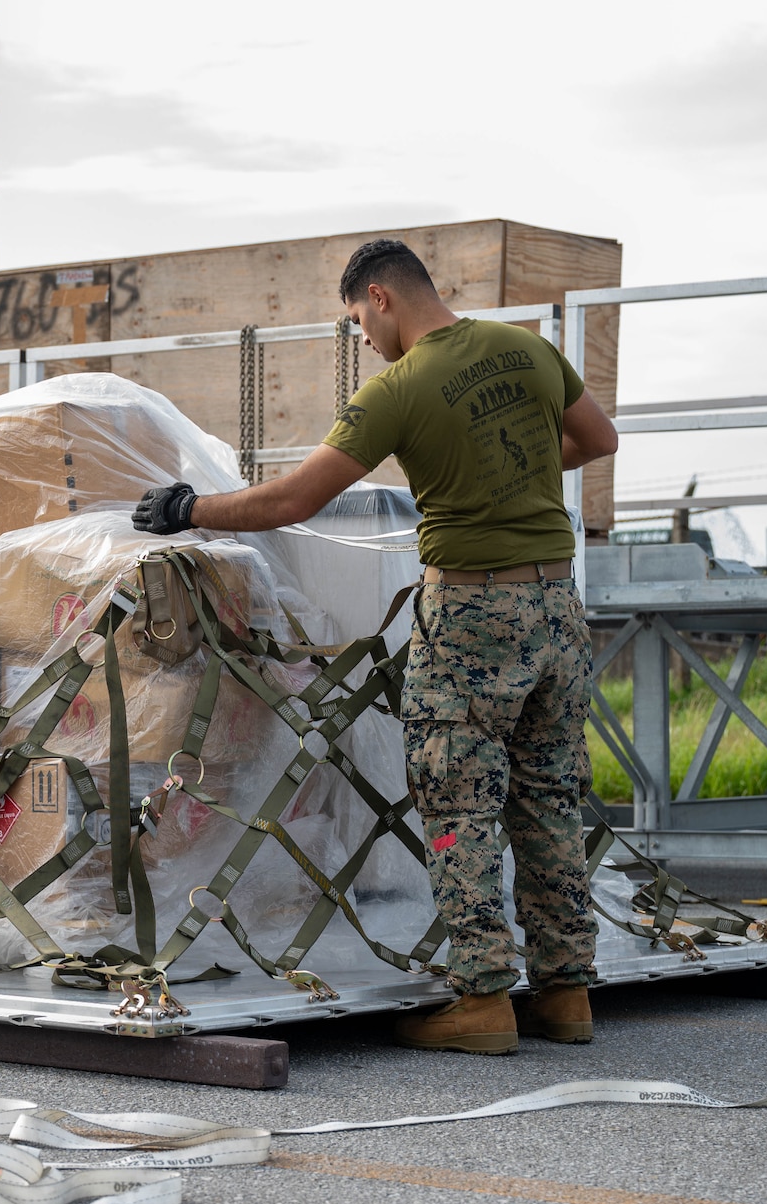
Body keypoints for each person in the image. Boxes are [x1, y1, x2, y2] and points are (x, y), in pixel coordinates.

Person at [133, 238, 619, 1055]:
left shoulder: (401, 387)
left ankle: (484, 999)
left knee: (459, 801)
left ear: (382, 298)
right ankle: (567, 992)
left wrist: (189, 509)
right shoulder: (528, 349)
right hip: (557, 609)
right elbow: (597, 437)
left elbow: (293, 500)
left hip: (472, 613)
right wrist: (510, 476)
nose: (363, 338)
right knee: (548, 797)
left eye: (359, 320)